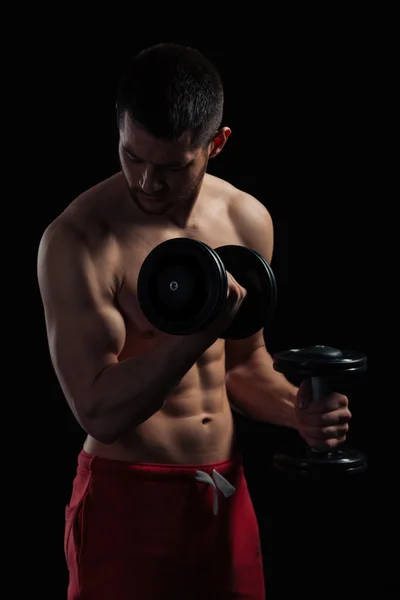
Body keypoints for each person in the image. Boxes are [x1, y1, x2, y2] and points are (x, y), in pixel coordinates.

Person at [37, 43, 352, 600]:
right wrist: (199, 333)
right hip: (126, 498)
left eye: (172, 167)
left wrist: (295, 412)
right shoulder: (78, 240)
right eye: (132, 156)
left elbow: (243, 366)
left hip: (223, 491)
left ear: (216, 144)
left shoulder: (245, 219)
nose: (146, 183)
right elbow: (98, 410)